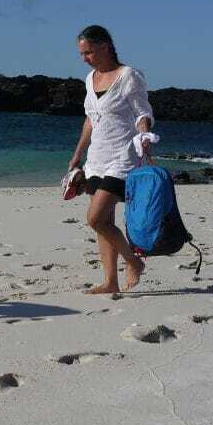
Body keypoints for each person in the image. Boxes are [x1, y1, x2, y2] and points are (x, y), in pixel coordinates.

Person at [68, 25, 158, 294]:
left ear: (105, 46)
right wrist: (77, 156)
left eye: (89, 52)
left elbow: (143, 113)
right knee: (105, 222)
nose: (85, 58)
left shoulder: (129, 76)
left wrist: (144, 136)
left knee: (95, 218)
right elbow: (90, 120)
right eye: (82, 53)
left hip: (123, 158)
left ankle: (133, 262)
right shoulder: (90, 79)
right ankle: (110, 282)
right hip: (96, 158)